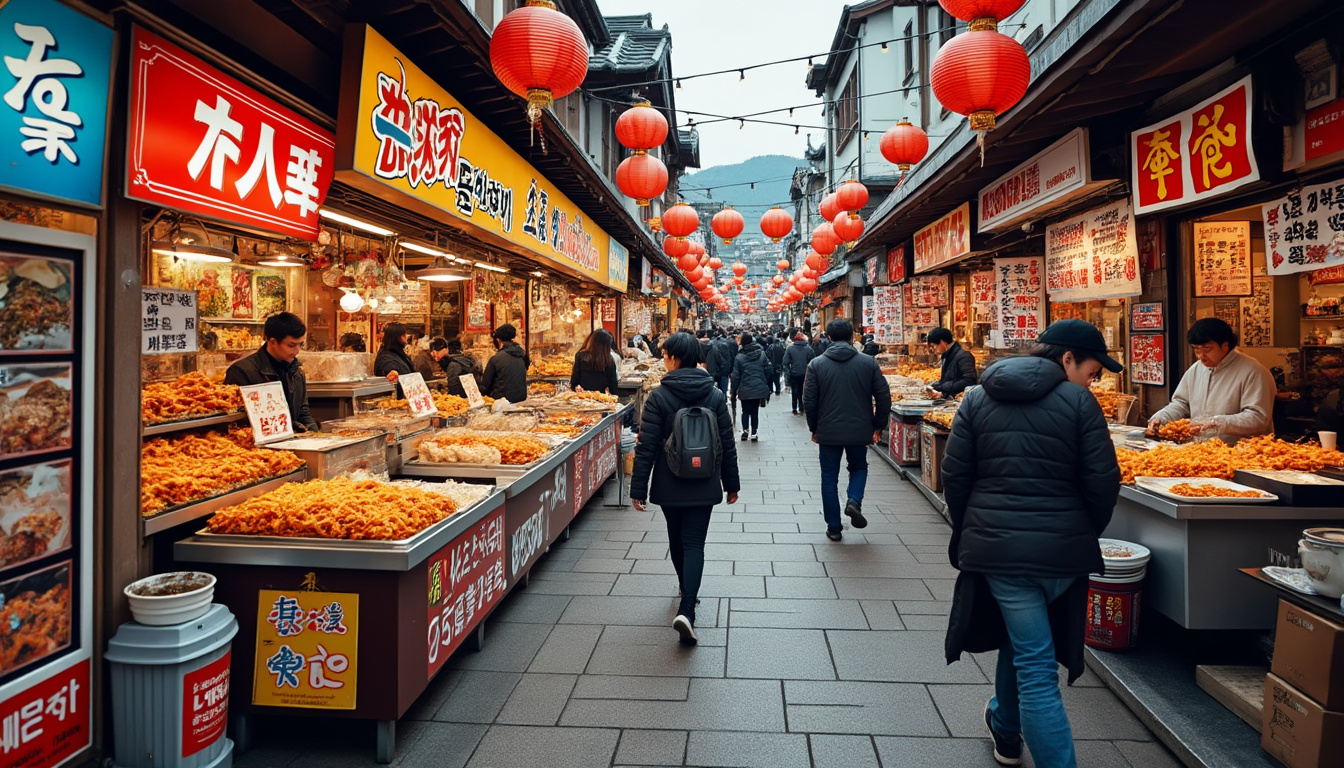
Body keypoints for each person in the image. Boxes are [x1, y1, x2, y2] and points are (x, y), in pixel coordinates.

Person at [941, 319, 1123, 768]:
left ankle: (1005, 727)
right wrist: (1081, 533)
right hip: (1060, 556)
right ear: (1066, 359)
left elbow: (955, 477)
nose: (1092, 380)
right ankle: (1014, 733)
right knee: (1038, 667)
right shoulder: (1080, 402)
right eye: (1092, 370)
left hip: (999, 552)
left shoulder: (977, 398)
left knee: (1026, 648)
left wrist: (968, 532)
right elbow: (1103, 483)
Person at [631, 332, 740, 646]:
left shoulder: (659, 397)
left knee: (676, 538)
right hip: (704, 480)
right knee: (695, 542)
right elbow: (727, 444)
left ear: (674, 358)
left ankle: (685, 593)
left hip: (669, 480)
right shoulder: (715, 394)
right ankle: (687, 607)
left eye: (665, 355)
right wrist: (731, 484)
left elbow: (647, 446)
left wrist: (638, 487)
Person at [803, 319, 891, 541]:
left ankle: (834, 527)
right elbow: (883, 396)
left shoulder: (816, 364)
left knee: (829, 477)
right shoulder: (868, 363)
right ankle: (854, 500)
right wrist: (879, 425)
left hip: (828, 430)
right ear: (852, 337)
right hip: (859, 430)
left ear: (829, 337)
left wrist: (814, 428)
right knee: (859, 467)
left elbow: (809, 401)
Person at [1147, 318, 1276, 443]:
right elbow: (1181, 403)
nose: (1200, 356)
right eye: (1196, 349)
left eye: (1207, 349)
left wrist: (1217, 423)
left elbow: (1258, 418)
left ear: (1225, 345)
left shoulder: (1254, 372)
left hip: (1241, 452)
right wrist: (1161, 418)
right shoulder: (1196, 369)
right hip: (1200, 450)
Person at [224, 312, 318, 432]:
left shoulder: (297, 373)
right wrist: (284, 426)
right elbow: (233, 420)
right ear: (272, 341)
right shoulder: (241, 372)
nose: (297, 350)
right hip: (255, 446)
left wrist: (317, 435)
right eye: (291, 345)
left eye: (301, 344)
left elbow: (304, 414)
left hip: (291, 444)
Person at [731, 332, 774, 442]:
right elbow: (768, 370)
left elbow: (735, 376)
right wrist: (765, 382)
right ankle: (754, 432)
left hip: (745, 388)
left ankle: (745, 430)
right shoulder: (761, 354)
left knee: (745, 411)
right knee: (755, 411)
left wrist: (733, 391)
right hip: (758, 387)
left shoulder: (739, 357)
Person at [481, 324, 530, 403]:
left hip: (501, 402)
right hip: (521, 400)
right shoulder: (522, 354)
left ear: (498, 340)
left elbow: (485, 386)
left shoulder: (496, 359)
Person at [927, 326, 978, 398]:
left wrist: (942, 387)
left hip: (961, 400)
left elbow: (968, 381)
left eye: (934, 346)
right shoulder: (947, 355)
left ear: (942, 343)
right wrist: (937, 387)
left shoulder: (964, 356)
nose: (934, 350)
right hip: (951, 399)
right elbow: (948, 379)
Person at [571, 329, 620, 394]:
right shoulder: (609, 361)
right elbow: (613, 385)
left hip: (584, 397)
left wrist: (577, 387)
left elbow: (574, 381)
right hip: (603, 398)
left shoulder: (580, 356)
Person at [373, 322, 415, 393]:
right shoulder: (386, 357)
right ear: (396, 336)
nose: (407, 336)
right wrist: (393, 374)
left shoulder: (397, 353)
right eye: (404, 334)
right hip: (395, 399)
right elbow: (391, 372)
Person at [784, 332, 816, 415]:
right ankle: (802, 407)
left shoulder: (790, 349)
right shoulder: (808, 349)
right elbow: (813, 361)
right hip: (805, 373)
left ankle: (794, 408)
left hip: (794, 373)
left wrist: (788, 371)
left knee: (794, 391)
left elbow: (785, 362)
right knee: (804, 391)